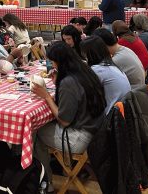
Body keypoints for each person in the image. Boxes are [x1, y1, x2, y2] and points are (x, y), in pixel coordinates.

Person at [32, 43, 106, 189]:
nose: (52, 65)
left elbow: (64, 121)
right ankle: (66, 170)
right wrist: (58, 83)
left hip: (80, 137)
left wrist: (46, 96)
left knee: (33, 131)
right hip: (96, 130)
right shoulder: (85, 71)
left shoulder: (69, 82)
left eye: (52, 62)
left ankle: (46, 183)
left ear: (60, 62)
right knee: (41, 125)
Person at [79, 36, 131, 114]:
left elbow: (81, 90)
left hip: (111, 117)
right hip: (123, 111)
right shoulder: (109, 64)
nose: (85, 57)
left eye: (85, 54)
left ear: (91, 54)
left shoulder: (98, 69)